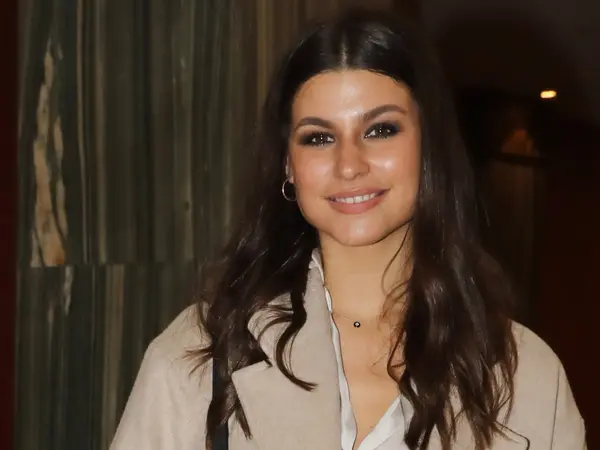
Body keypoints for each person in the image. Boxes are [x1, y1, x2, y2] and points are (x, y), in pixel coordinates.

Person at [110, 8, 586, 450]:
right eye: (318, 138)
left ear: (429, 147)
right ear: (288, 166)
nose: (349, 164)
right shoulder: (200, 354)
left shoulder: (526, 377)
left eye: (380, 130)